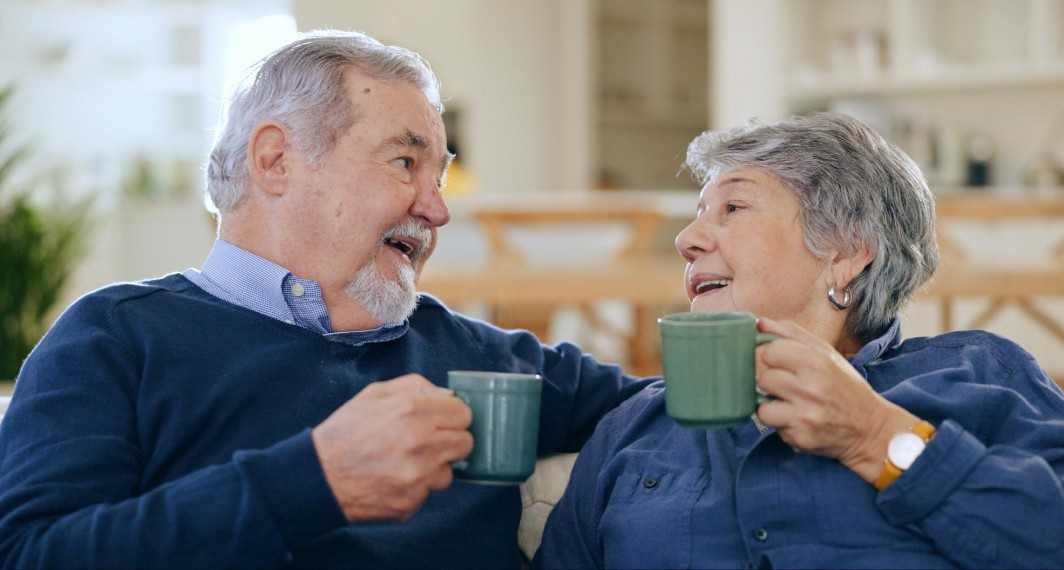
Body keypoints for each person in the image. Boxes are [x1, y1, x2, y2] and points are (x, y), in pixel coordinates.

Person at [0, 31, 645, 569]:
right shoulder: (115, 339)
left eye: (440, 176)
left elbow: (657, 406)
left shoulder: (468, 351)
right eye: (404, 164)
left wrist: (747, 370)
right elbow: (31, 554)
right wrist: (314, 481)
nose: (439, 209)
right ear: (276, 160)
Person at [533, 112, 1064, 569]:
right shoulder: (636, 427)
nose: (686, 239)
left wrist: (878, 438)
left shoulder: (978, 375)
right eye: (698, 214)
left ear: (843, 252)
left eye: (734, 207)